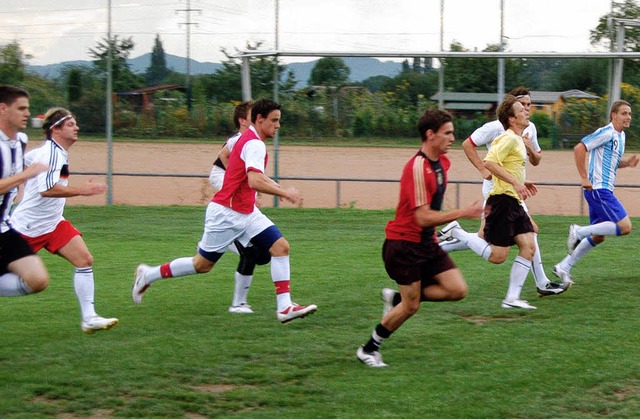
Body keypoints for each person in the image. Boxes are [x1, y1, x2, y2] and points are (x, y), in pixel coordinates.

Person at [133, 98, 318, 323]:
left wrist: (246, 180)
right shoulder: (254, 144)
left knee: (280, 247)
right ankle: (148, 274)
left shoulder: (244, 137)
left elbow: (229, 158)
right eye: (274, 120)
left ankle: (285, 307)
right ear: (260, 120)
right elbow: (254, 180)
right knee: (201, 265)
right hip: (226, 214)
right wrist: (283, 193)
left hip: (246, 212)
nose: (278, 125)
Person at [356, 109, 483, 368]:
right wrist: (462, 214)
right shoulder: (417, 167)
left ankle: (395, 300)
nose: (452, 137)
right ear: (430, 134)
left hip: (427, 242)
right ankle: (369, 349)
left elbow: (431, 209)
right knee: (411, 306)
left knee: (457, 289)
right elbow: (422, 217)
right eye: (447, 133)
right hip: (404, 245)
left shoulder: (443, 163)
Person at [439, 87, 568, 297]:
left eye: (528, 104)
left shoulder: (530, 128)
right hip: (498, 190)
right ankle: (540, 283)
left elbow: (536, 160)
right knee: (524, 233)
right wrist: (482, 169)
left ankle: (447, 242)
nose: (527, 109)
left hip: (514, 189)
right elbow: (468, 145)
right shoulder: (496, 128)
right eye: (522, 105)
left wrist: (528, 152)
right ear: (511, 111)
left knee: (486, 237)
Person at [10, 107, 119, 333]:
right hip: (27, 227)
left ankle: (89, 318)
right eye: (70, 124)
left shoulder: (52, 150)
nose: (76, 127)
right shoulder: (52, 153)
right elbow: (46, 190)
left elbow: (24, 162)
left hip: (53, 223)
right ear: (56, 129)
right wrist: (82, 191)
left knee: (85, 260)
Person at [553, 100, 639, 284]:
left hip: (601, 191)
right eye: (624, 113)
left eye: (630, 114)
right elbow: (579, 148)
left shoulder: (620, 136)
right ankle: (578, 231)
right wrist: (584, 177)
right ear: (613, 115)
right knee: (625, 227)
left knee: (598, 237)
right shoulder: (606, 132)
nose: (628, 117)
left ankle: (564, 266)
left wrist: (627, 163)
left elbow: (612, 162)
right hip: (599, 190)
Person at [209, 100, 271, 314]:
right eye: (253, 115)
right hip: (222, 177)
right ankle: (229, 239)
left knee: (262, 253)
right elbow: (224, 156)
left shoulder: (251, 140)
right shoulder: (239, 139)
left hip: (234, 186)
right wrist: (235, 181)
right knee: (253, 249)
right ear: (242, 120)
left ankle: (231, 238)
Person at [0, 85, 50, 297]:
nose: (27, 114)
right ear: (3, 108)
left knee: (37, 279)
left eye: (27, 108)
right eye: (21, 108)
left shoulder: (20, 140)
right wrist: (25, 175)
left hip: (3, 227)